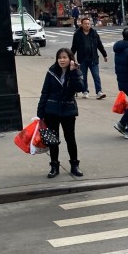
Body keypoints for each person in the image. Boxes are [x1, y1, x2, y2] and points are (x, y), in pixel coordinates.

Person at [36, 47, 85, 178]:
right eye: (60, 57)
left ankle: (74, 165)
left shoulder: (76, 72)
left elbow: (80, 88)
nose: (62, 60)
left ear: (70, 59)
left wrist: (74, 72)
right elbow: (45, 92)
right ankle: (54, 166)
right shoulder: (51, 72)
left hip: (68, 110)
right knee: (53, 140)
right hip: (51, 110)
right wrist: (40, 113)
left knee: (70, 138)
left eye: (65, 57)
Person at [70, 17, 108, 99]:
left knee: (96, 76)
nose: (87, 25)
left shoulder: (94, 33)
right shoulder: (77, 34)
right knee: (83, 76)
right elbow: (74, 47)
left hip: (93, 59)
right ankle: (85, 91)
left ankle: (99, 92)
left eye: (88, 24)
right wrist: (70, 57)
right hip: (82, 59)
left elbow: (99, 45)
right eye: (85, 24)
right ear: (82, 24)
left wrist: (104, 55)